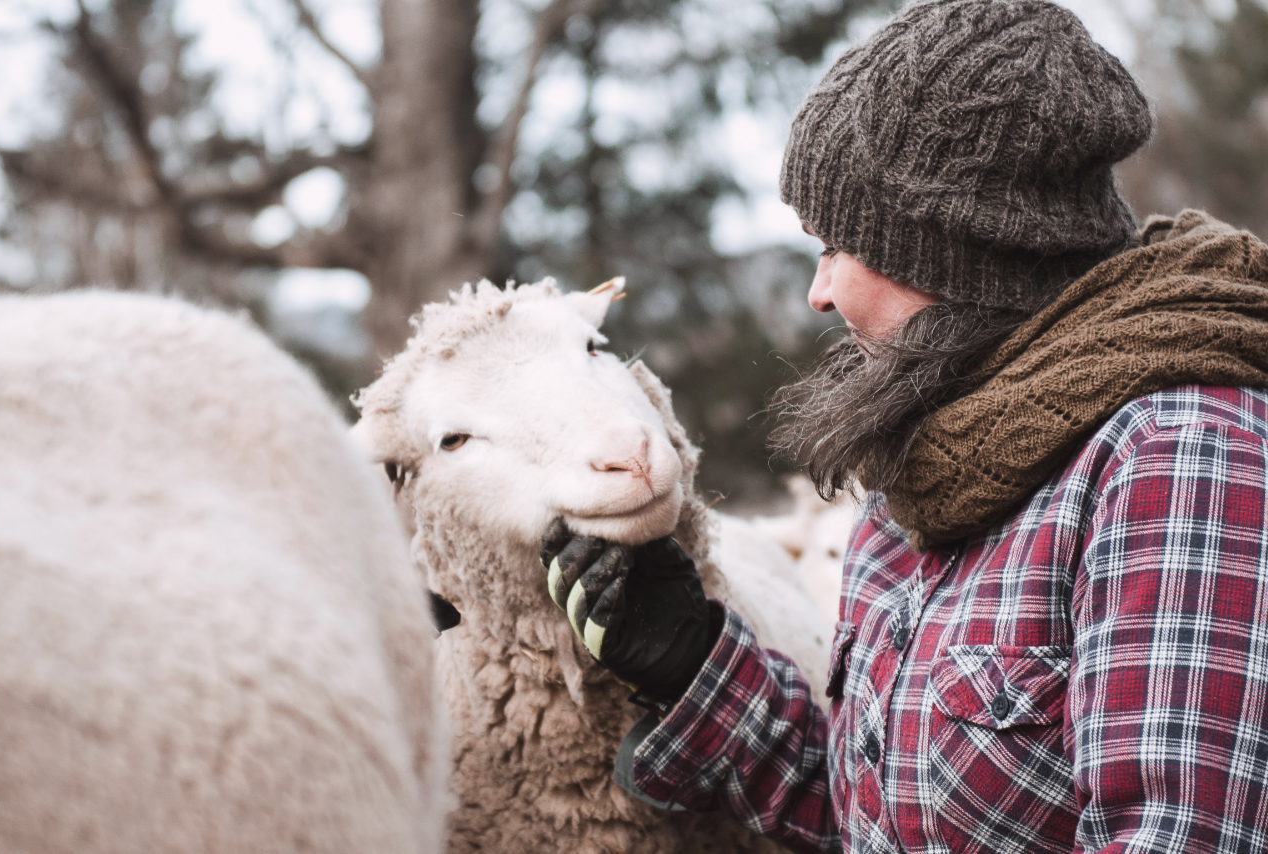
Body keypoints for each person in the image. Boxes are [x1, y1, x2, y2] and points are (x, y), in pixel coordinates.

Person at [540, 1, 1268, 851]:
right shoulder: (933, 457)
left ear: (950, 252)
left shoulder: (1177, 458)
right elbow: (885, 818)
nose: (819, 293)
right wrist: (694, 663)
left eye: (835, 247)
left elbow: (1184, 834)